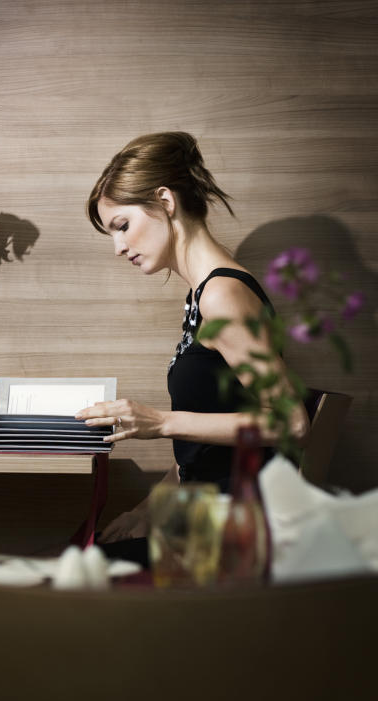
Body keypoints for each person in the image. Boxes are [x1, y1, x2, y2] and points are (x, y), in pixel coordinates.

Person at [77, 131, 309, 544]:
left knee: (78, 573)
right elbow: (204, 450)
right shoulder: (202, 295)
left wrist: (162, 422)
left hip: (236, 526)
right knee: (90, 545)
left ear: (166, 202)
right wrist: (148, 509)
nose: (118, 247)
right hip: (206, 509)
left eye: (122, 225)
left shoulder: (223, 295)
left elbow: (291, 421)